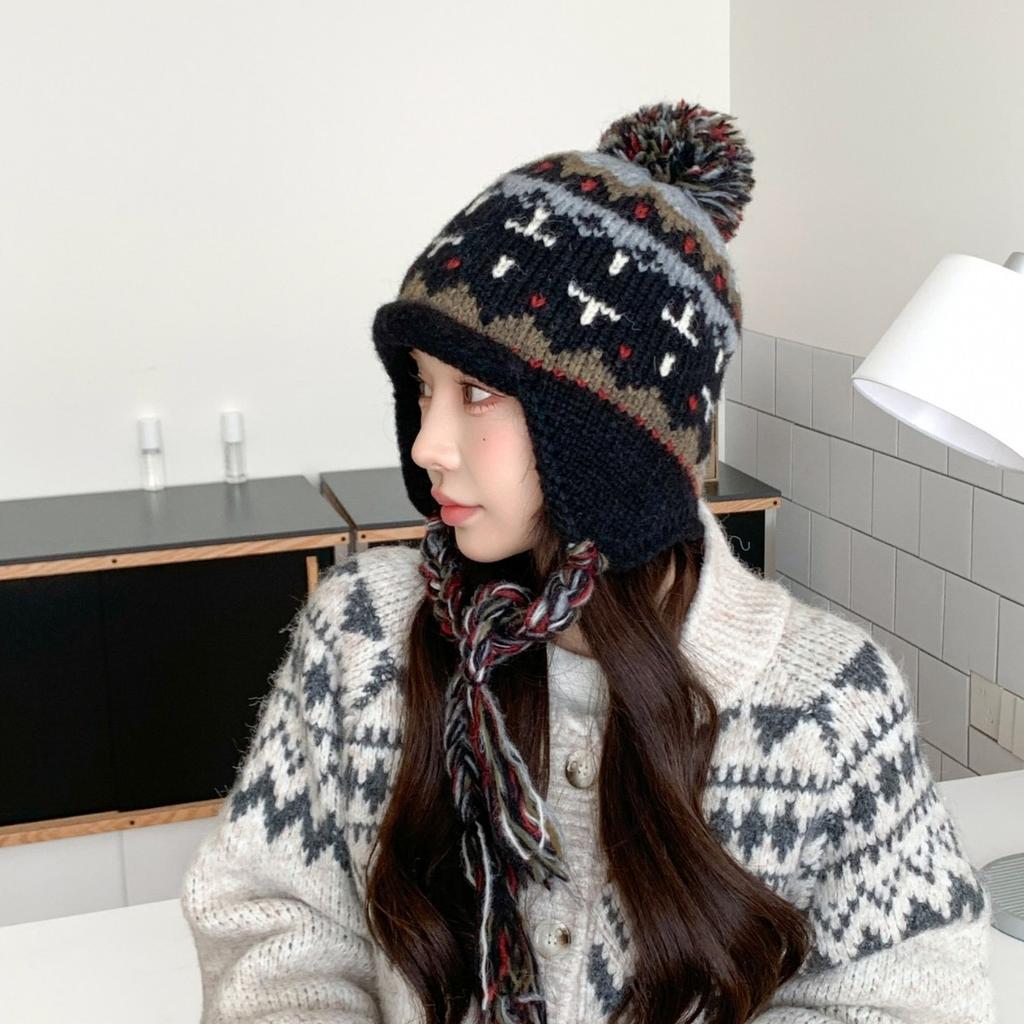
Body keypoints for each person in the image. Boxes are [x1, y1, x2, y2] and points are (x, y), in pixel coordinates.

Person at [180, 99, 997, 1024]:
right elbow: (274, 924)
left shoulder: (830, 705)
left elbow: (912, 999)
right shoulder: (362, 634)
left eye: (476, 393)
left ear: (610, 434)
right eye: (422, 389)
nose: (427, 445)